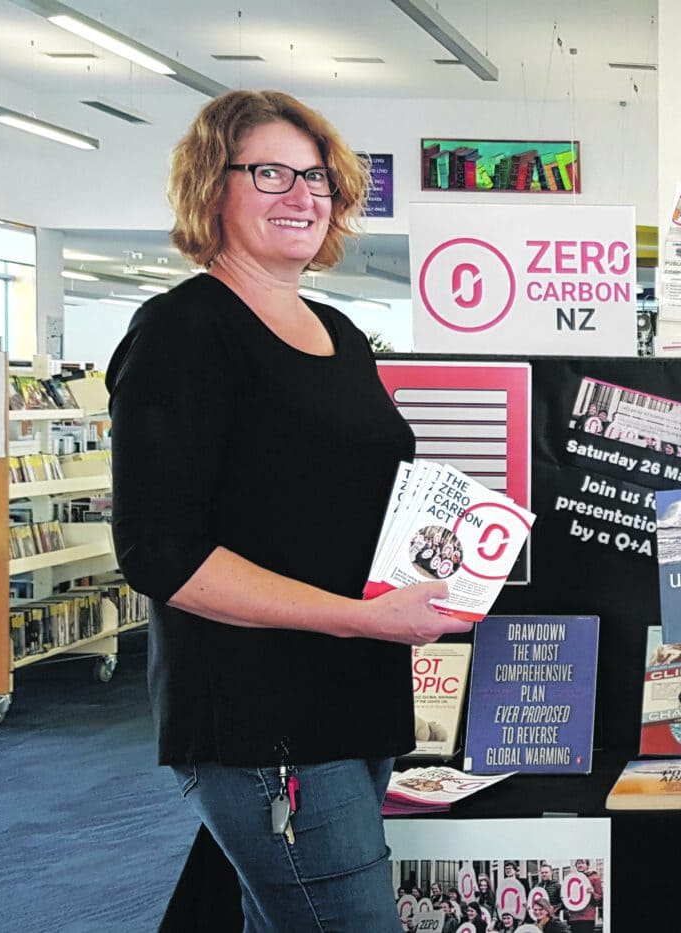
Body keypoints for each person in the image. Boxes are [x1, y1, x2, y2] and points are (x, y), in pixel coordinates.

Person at [108, 89, 467, 931]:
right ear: (212, 185)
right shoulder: (183, 332)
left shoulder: (338, 332)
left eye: (318, 178)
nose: (303, 196)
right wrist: (358, 618)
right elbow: (162, 552)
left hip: (356, 702)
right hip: (265, 723)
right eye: (270, 173)